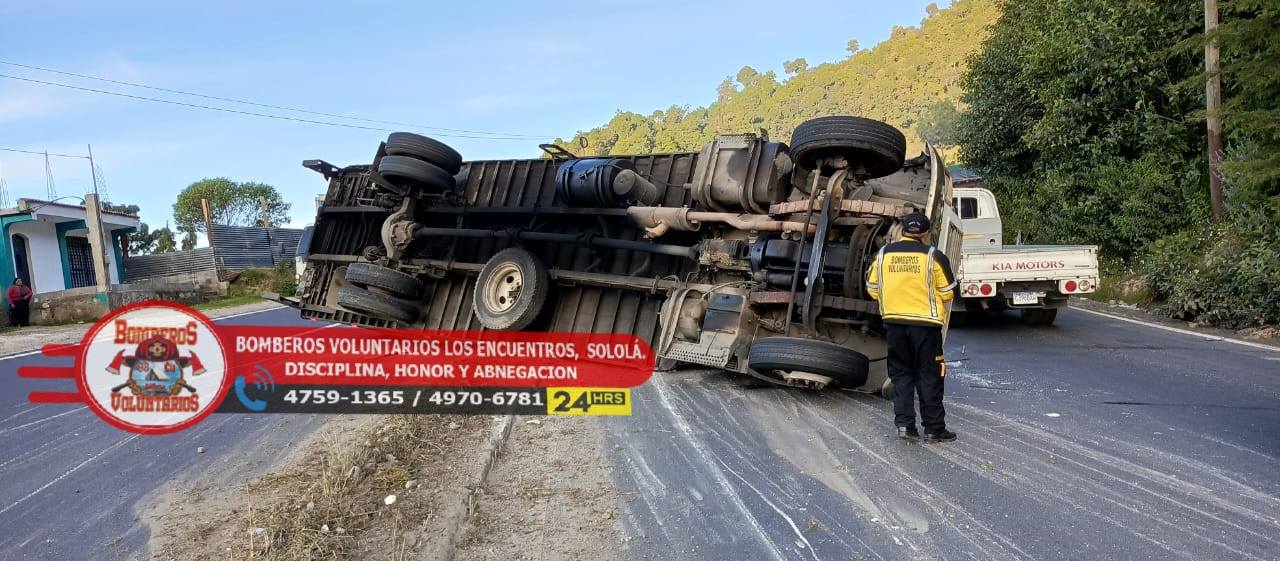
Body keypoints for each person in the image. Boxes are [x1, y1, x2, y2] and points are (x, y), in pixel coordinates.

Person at [865, 212, 958, 443]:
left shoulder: (883, 254)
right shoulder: (933, 256)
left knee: (901, 374)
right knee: (930, 375)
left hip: (895, 324)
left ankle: (905, 426)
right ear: (926, 235)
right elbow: (948, 293)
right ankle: (934, 429)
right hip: (926, 326)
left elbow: (872, 289)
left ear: (904, 232)